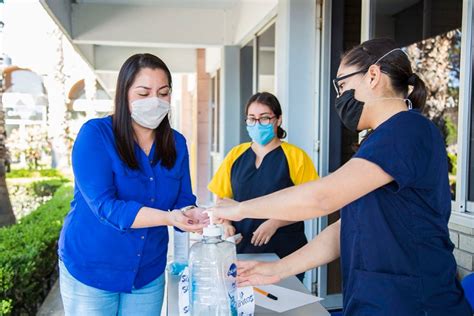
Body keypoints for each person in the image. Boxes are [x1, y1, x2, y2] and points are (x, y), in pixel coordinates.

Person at [210, 38, 472, 315]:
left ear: (373, 75)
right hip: (376, 298)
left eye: (343, 85)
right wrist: (277, 269)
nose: (340, 98)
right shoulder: (378, 140)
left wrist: (240, 208)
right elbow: (347, 227)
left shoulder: (407, 130)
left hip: (413, 303)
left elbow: (322, 198)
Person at [58, 53, 208, 315]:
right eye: (144, 93)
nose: (156, 101)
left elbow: (183, 199)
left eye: (163, 93)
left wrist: (194, 215)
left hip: (147, 272)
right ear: (124, 95)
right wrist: (169, 218)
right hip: (91, 270)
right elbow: (106, 207)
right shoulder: (96, 135)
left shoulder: (177, 143)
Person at [208, 92, 318, 281]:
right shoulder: (236, 154)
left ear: (278, 120)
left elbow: (311, 203)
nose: (257, 124)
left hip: (285, 252)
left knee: (284, 305)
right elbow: (221, 200)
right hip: (242, 250)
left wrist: (275, 222)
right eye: (252, 119)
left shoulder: (296, 157)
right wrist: (226, 224)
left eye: (265, 118)